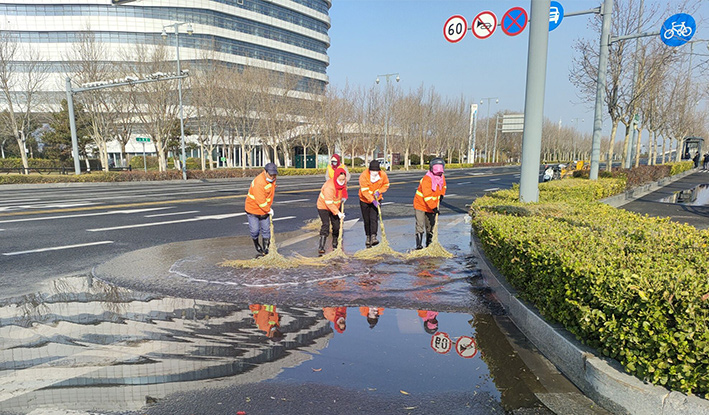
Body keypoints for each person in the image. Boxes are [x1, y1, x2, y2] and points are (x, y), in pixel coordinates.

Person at [244, 163, 278, 257]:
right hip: (253, 210)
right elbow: (261, 201)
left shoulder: (272, 179)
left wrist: (268, 208)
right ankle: (256, 244)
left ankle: (266, 249)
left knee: (266, 230)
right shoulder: (259, 182)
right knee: (255, 231)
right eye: (270, 175)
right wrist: (268, 210)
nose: (272, 177)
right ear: (265, 172)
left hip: (264, 210)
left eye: (274, 175)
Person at [413, 158, 447, 250]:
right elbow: (427, 196)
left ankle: (429, 244)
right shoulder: (427, 179)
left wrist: (441, 195)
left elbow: (443, 186)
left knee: (430, 226)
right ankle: (419, 246)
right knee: (420, 225)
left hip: (432, 206)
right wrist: (434, 207)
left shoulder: (442, 177)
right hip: (421, 205)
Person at [358, 160, 390, 248]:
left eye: (376, 171)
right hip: (365, 200)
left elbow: (386, 184)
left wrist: (379, 191)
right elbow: (364, 191)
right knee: (367, 220)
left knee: (374, 218)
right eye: (373, 171)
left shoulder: (382, 175)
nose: (375, 172)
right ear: (369, 170)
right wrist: (372, 200)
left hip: (377, 199)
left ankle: (373, 236)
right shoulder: (364, 176)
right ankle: (368, 236)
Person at [316, 167, 347, 255]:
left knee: (336, 226)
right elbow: (329, 203)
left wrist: (344, 197)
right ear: (336, 177)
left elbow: (344, 190)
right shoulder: (329, 186)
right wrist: (338, 213)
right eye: (340, 179)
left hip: (335, 206)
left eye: (343, 179)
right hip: (323, 206)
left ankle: (335, 244)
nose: (342, 181)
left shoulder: (343, 183)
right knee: (326, 225)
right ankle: (321, 246)